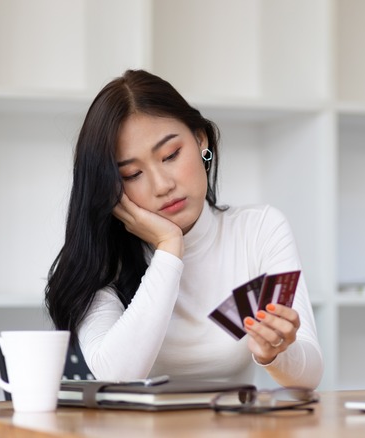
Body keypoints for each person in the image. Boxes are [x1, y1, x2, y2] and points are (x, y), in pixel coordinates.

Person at [44, 70, 323, 389]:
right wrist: (169, 246)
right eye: (133, 174)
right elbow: (116, 375)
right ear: (110, 188)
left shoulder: (258, 231)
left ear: (200, 140)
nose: (163, 185)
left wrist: (274, 354)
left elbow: (310, 376)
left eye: (171, 155)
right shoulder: (104, 260)